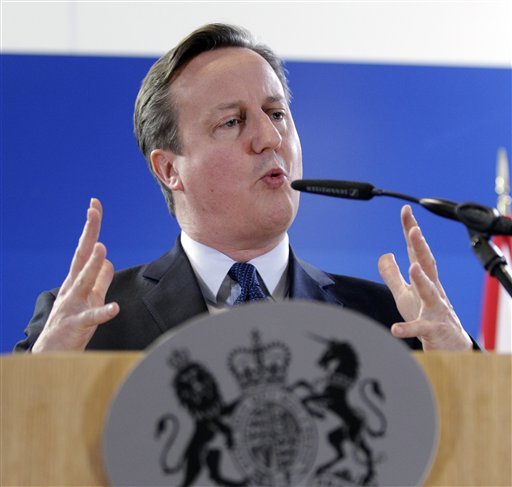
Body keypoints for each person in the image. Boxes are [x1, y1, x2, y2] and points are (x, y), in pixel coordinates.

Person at [15, 23, 474, 353]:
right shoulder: (89, 327)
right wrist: (43, 379)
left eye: (276, 114)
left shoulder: (392, 324)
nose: (269, 138)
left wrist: (461, 368)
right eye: (232, 122)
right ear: (169, 169)